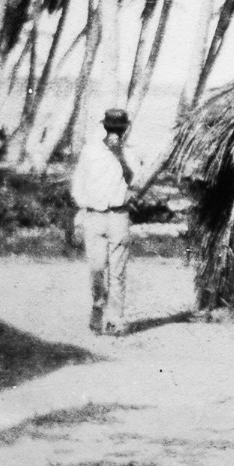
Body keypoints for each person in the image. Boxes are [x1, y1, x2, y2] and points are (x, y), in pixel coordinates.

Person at [71, 108, 135, 336]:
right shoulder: (90, 152)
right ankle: (98, 304)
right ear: (105, 128)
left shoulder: (130, 153)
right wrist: (81, 212)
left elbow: (133, 179)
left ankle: (115, 319)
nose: (115, 134)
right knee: (96, 268)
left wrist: (120, 156)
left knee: (118, 272)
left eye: (119, 130)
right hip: (94, 216)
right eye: (112, 129)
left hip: (119, 215)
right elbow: (79, 182)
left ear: (125, 130)